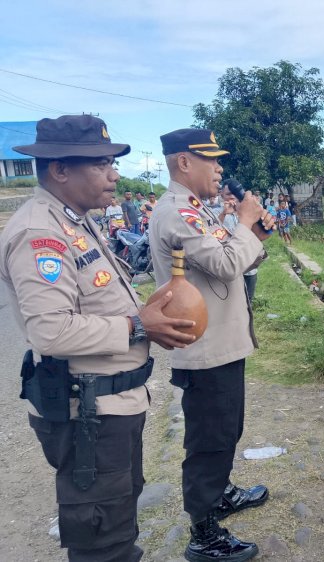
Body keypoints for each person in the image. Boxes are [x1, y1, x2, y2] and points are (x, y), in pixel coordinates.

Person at [0, 114, 195, 562]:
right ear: (59, 169)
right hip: (89, 414)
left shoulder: (75, 220)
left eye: (111, 161)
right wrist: (137, 325)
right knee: (102, 540)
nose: (114, 174)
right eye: (101, 163)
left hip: (114, 407)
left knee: (118, 517)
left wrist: (146, 315)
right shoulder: (40, 232)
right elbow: (49, 330)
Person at [150, 128, 275, 562]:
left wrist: (254, 234)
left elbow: (239, 257)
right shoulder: (175, 213)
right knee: (209, 440)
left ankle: (220, 493)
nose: (220, 168)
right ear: (184, 163)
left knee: (227, 430)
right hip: (204, 350)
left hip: (224, 341)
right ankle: (203, 531)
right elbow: (224, 264)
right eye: (211, 160)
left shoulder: (197, 209)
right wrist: (242, 224)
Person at [219, 179, 266, 303]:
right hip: (230, 268)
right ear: (221, 195)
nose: (232, 197)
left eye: (234, 193)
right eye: (228, 194)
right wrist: (223, 213)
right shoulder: (215, 213)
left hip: (250, 267)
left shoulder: (247, 211)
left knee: (248, 301)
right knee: (232, 303)